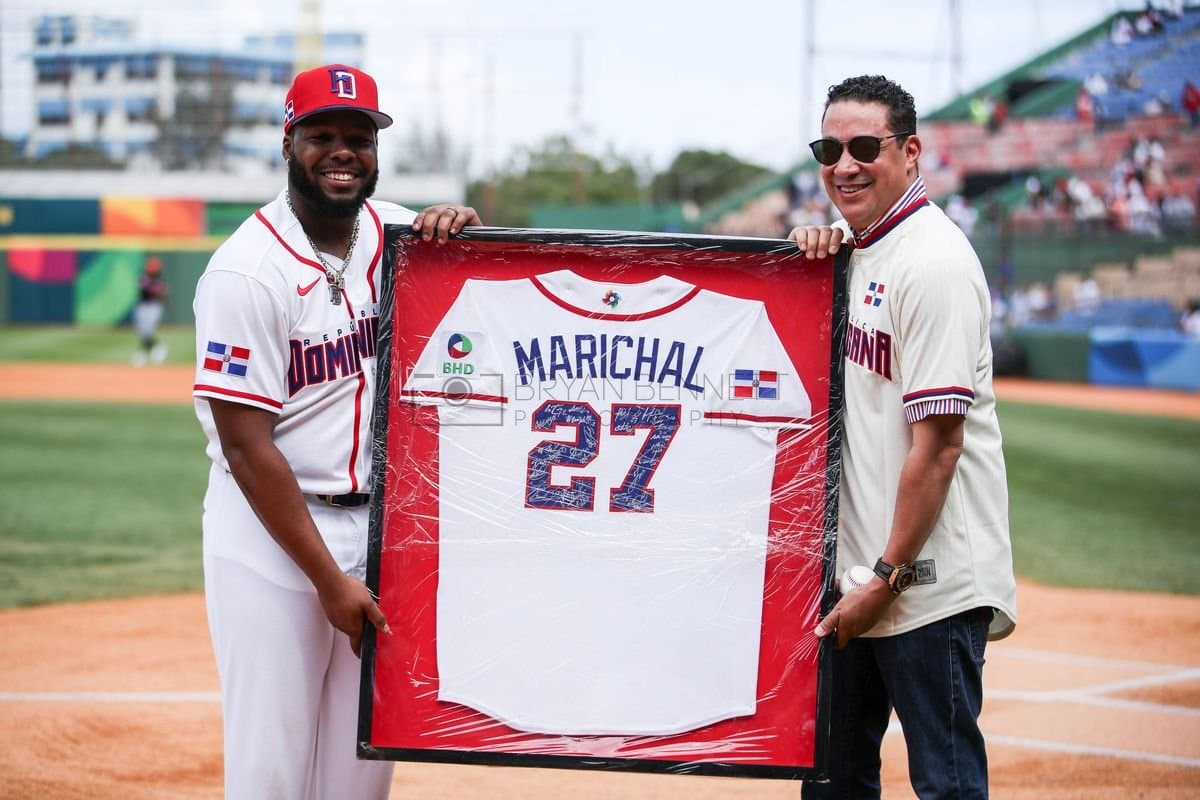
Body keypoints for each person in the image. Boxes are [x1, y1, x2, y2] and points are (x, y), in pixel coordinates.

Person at [191, 63, 480, 799]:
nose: (342, 152)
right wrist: (329, 580)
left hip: (378, 530)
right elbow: (246, 448)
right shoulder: (246, 272)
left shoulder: (402, 236)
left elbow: (478, 269)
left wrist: (461, 227)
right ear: (290, 143)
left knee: (361, 774)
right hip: (269, 535)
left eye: (360, 137)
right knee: (271, 768)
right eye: (322, 135)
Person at [789, 74, 1017, 798]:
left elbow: (940, 446)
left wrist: (885, 580)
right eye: (830, 147)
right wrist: (812, 258)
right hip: (854, 578)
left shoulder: (934, 262)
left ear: (911, 152)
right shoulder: (856, 254)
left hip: (924, 582)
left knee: (945, 785)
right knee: (832, 781)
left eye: (864, 146)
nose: (844, 164)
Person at [132, 255, 168, 366]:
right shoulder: (143, 278)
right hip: (143, 306)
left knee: (148, 331)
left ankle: (145, 353)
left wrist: (161, 293)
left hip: (154, 306)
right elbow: (143, 289)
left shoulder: (159, 280)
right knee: (143, 332)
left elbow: (162, 294)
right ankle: (155, 349)